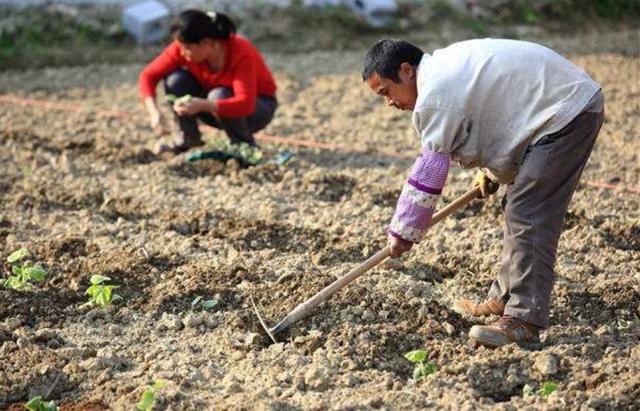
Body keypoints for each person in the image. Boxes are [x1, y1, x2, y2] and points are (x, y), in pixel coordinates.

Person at [362, 39, 604, 347]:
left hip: (567, 111)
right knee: (518, 205)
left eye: (386, 92)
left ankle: (523, 320)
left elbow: (429, 172)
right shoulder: (443, 71)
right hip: (557, 108)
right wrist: (490, 172)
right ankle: (504, 297)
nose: (390, 103)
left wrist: (404, 231)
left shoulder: (435, 95)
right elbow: (497, 114)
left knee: (527, 210)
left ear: (406, 71)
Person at [139, 9, 278, 154]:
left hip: (257, 109)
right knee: (176, 81)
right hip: (212, 107)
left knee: (219, 94)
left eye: (187, 48)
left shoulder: (241, 52)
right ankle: (188, 139)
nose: (181, 52)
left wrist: (202, 105)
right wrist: (154, 111)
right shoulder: (184, 48)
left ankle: (245, 148)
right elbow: (148, 76)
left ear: (207, 43)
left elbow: (245, 104)